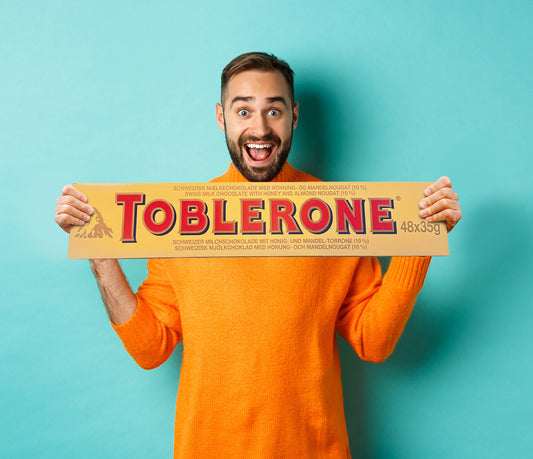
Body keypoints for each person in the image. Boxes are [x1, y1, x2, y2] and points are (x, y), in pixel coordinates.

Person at [55, 52, 461, 458]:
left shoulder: (339, 214)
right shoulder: (180, 219)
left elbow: (374, 342)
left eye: (274, 111)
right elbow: (150, 349)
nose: (260, 128)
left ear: (294, 117)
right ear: (222, 118)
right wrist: (99, 255)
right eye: (244, 111)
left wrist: (419, 243)